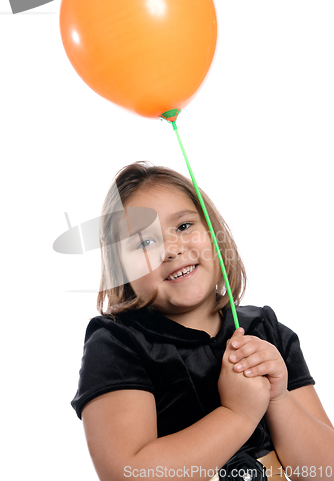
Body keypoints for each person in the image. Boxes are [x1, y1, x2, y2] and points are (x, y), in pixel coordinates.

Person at [71, 161, 334, 481]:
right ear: (122, 270)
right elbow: (127, 474)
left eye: (183, 227)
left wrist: (278, 398)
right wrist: (236, 414)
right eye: (144, 243)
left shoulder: (265, 331)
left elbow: (325, 471)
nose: (171, 250)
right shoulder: (118, 343)